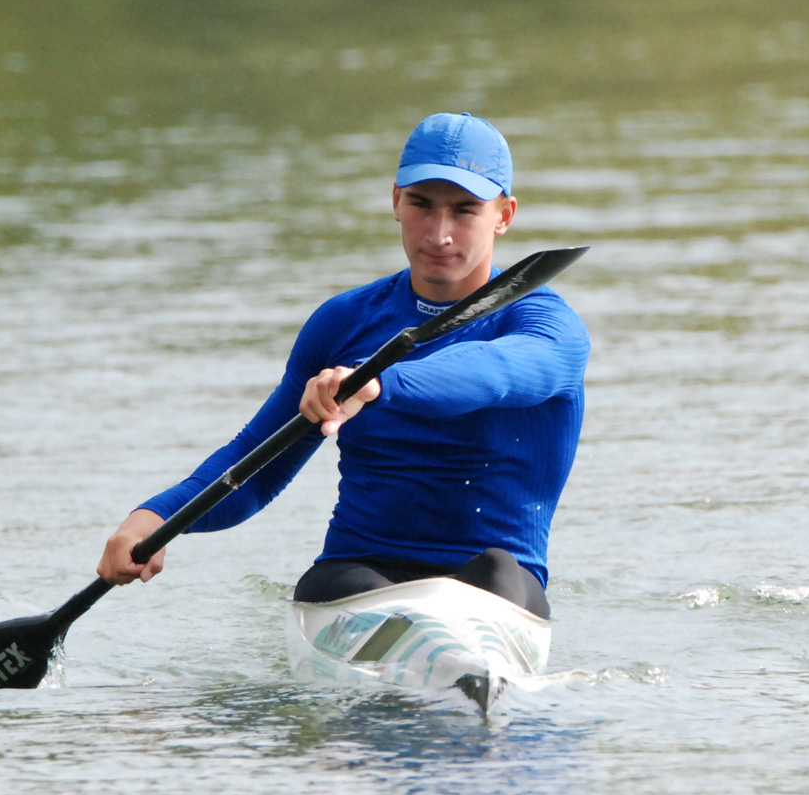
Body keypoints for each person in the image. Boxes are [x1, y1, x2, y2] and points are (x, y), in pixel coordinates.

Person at [96, 112, 589, 618]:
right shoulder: (343, 322)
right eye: (421, 204)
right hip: (356, 575)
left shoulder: (548, 327)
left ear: (504, 215)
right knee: (335, 583)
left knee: (498, 570)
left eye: (465, 210)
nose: (440, 233)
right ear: (396, 200)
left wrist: (377, 383)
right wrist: (150, 519)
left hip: (498, 586)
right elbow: (255, 464)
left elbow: (497, 373)